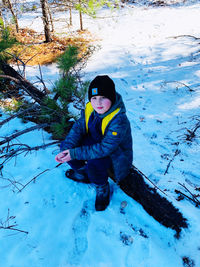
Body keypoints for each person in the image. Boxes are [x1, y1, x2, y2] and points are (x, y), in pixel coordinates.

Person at [55, 75, 133, 211]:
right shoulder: (91, 109)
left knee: (95, 163)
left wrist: (75, 153)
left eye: (103, 97)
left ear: (112, 98)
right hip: (97, 142)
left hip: (115, 153)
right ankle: (83, 173)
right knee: (66, 147)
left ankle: (102, 186)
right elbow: (79, 127)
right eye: (94, 98)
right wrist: (68, 148)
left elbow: (106, 148)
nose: (98, 103)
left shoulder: (119, 119)